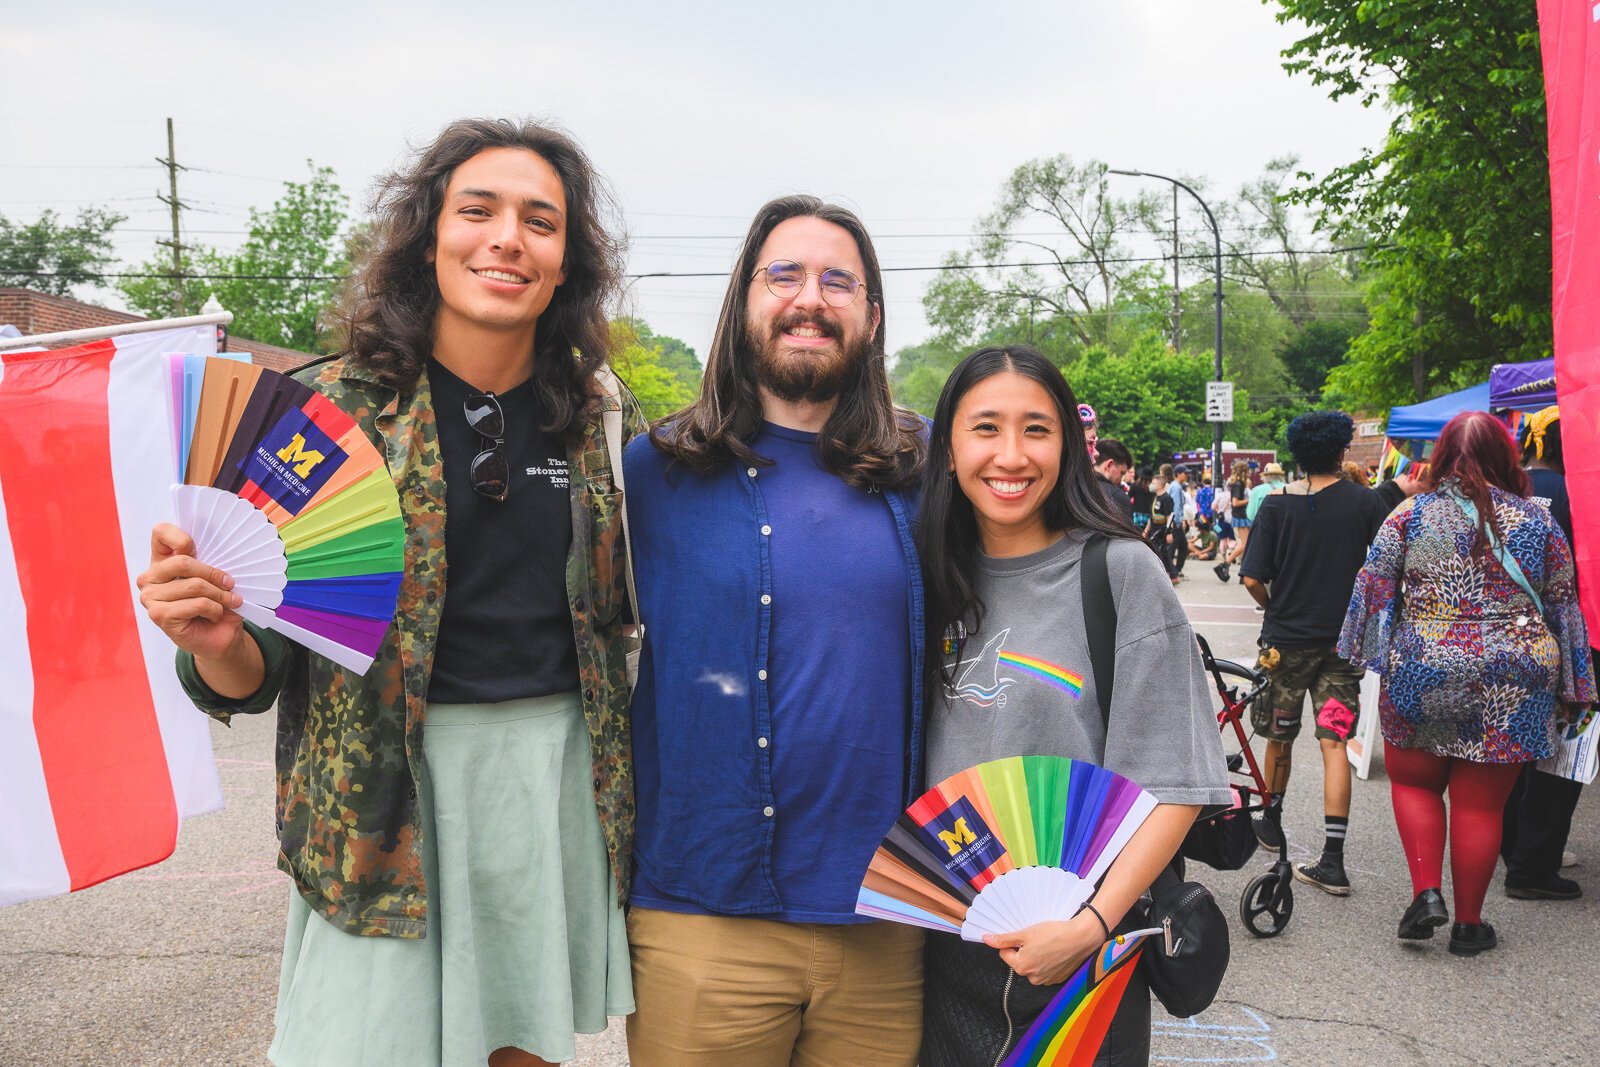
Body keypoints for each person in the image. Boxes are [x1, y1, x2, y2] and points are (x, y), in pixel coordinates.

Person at [136, 119, 639, 1066]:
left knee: (519, 1047)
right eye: (477, 210)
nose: (506, 238)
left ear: (566, 260)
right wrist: (211, 635)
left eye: (541, 220)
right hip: (374, 801)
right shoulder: (325, 419)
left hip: (549, 778)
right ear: (428, 236)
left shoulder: (597, 421)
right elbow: (252, 672)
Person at [622, 195, 928, 1066]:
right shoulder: (656, 469)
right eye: (784, 274)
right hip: (700, 913)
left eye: (839, 280)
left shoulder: (923, 469)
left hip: (884, 917)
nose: (810, 298)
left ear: (870, 317)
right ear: (744, 299)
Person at [917, 346, 1230, 1067]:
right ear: (949, 445)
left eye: (1036, 429)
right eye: (985, 428)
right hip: (940, 947)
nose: (1011, 454)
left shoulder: (1120, 571)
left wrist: (1090, 925)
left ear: (1068, 446)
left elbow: (1174, 785)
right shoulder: (928, 573)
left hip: (1080, 951)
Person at [1340, 410, 1594, 955]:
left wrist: (1371, 659)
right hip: (1514, 673)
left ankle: (1427, 893)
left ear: (1441, 454)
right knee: (1481, 807)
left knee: (1414, 783)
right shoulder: (1538, 521)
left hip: (1424, 664)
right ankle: (1469, 926)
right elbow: (1564, 606)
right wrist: (1576, 685)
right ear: (1507, 455)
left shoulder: (1408, 515)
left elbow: (1375, 590)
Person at [1240, 413, 1411, 898]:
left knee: (1278, 736)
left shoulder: (1275, 505)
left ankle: (1271, 823)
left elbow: (1253, 577)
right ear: (1341, 452)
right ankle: (1332, 860)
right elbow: (1386, 564)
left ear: (1296, 453)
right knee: (1334, 743)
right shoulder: (1365, 503)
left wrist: (1274, 609)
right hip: (1342, 645)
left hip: (1284, 645)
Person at [1501, 407, 1592, 901]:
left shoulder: (1507, 490)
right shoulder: (1580, 494)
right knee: (1564, 751)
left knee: (1517, 743)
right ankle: (1533, 863)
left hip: (1509, 638)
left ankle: (1509, 844)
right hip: (1574, 639)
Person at [1217, 459, 1253, 580]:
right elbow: (1235, 503)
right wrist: (1250, 500)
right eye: (1248, 470)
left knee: (1244, 544)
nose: (1249, 472)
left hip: (1239, 516)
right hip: (1240, 516)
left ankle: (1227, 565)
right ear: (1243, 471)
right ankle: (1225, 564)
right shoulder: (1239, 485)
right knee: (1244, 545)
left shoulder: (1237, 484)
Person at [1093, 437, 1136, 524]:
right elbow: (1126, 536)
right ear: (1109, 465)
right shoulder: (1118, 498)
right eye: (1122, 473)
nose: (1121, 480)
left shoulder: (1072, 488)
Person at [1129, 469, 1156, 535]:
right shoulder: (1153, 488)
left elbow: (1128, 497)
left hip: (1137, 515)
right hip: (1149, 515)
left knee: (1137, 536)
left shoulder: (1134, 485)